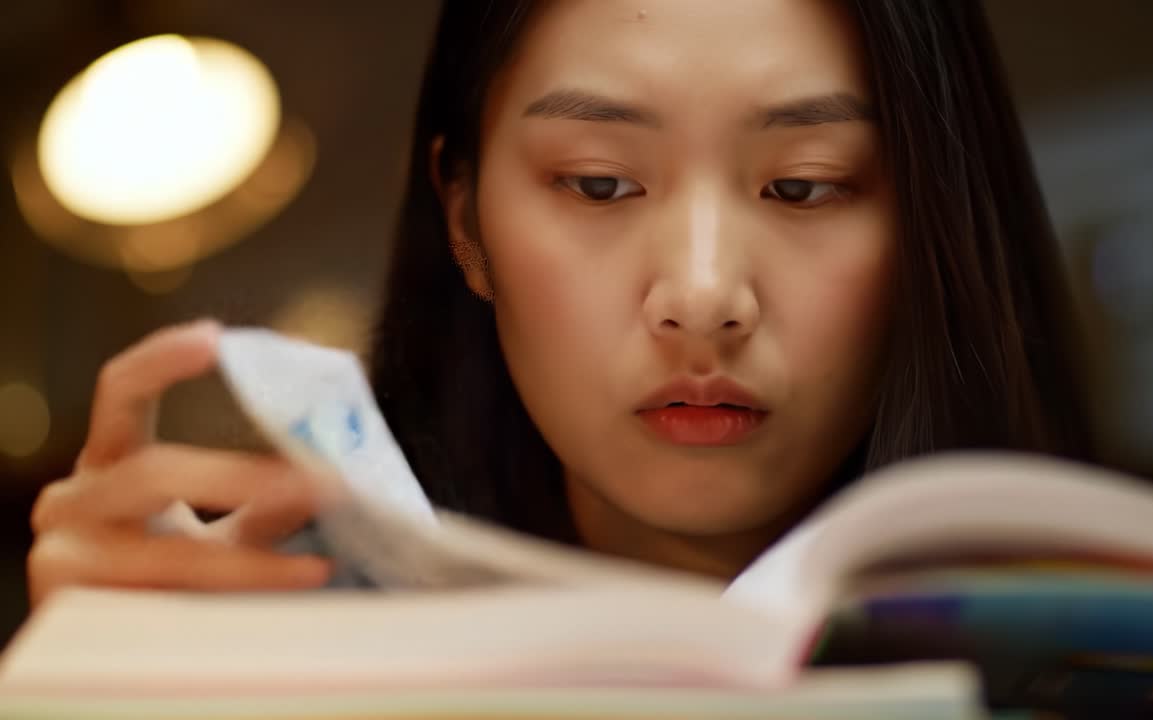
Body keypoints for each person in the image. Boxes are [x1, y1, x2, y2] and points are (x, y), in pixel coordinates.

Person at [27, 0, 1091, 608]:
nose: (702, 296)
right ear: (465, 223)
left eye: (802, 185)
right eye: (597, 184)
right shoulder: (307, 641)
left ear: (929, 226)